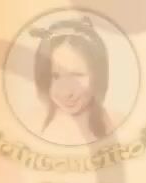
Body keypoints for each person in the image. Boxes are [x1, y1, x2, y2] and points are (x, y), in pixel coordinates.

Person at [29, 16, 115, 146]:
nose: (66, 92)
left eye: (77, 75)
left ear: (98, 75)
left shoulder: (116, 126)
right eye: (55, 76)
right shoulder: (33, 124)